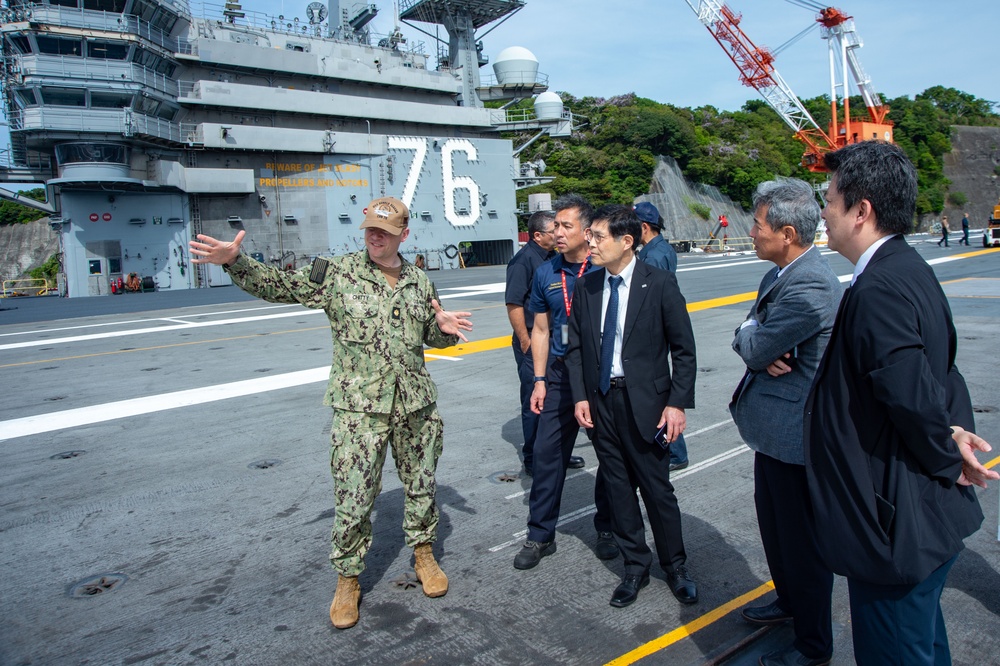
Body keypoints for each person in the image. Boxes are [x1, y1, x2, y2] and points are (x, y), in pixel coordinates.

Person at [189, 196, 474, 630]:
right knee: (355, 498)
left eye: (385, 232)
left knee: (421, 484)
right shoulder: (338, 273)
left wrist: (444, 331)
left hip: (415, 405)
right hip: (359, 409)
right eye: (370, 230)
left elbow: (431, 335)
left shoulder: (419, 281)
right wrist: (236, 262)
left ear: (404, 235)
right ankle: (348, 579)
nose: (375, 237)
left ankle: (423, 554)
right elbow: (281, 287)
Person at [804, 141, 999, 665]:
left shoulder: (879, 287)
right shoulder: (909, 267)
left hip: (894, 520)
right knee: (923, 644)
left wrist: (944, 454)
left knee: (895, 649)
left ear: (860, 210)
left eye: (830, 198)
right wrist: (954, 432)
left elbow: (909, 392)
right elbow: (945, 370)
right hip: (921, 518)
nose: (824, 211)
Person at [730, 179, 841, 666]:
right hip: (770, 436)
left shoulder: (811, 281)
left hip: (796, 438)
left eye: (756, 226)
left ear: (788, 232)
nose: (750, 233)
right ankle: (788, 602)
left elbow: (753, 344)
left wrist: (756, 341)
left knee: (802, 547)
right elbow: (753, 336)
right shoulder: (779, 273)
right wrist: (756, 339)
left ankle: (814, 645)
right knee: (776, 534)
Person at [566, 205, 698, 607]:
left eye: (598, 237)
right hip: (602, 402)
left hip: (647, 404)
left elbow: (684, 351)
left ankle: (675, 566)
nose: (591, 243)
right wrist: (580, 396)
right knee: (619, 489)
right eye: (590, 236)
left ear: (627, 241)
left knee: (658, 491)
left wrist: (677, 404)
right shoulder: (587, 286)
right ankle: (635, 566)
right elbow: (575, 350)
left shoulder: (658, 284)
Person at [513, 193, 617, 569]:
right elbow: (540, 330)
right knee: (546, 455)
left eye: (564, 225)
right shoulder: (545, 272)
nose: (556, 232)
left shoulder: (604, 266)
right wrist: (538, 379)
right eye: (554, 226)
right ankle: (540, 535)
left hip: (598, 376)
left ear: (586, 231)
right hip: (557, 376)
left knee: (610, 456)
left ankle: (607, 528)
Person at [505, 210, 584, 475]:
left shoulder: (553, 258)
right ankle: (532, 458)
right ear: (538, 236)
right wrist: (526, 341)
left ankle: (558, 450)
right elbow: (514, 304)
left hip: (554, 339)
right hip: (533, 340)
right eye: (554, 230)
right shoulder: (523, 262)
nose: (559, 234)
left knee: (556, 399)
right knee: (534, 400)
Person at [633, 201, 688, 472]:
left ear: (643, 227)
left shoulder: (652, 257)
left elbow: (652, 297)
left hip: (652, 327)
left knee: (654, 392)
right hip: (659, 325)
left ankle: (675, 451)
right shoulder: (662, 249)